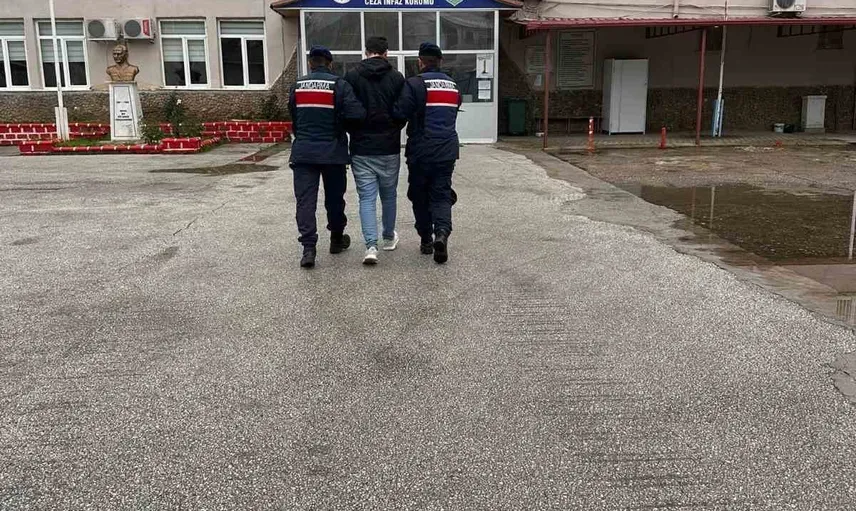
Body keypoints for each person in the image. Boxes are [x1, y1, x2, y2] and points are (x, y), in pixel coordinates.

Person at [288, 46, 366, 268]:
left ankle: (308, 249)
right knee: (334, 199)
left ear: (310, 63)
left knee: (305, 201)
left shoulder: (297, 85)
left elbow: (293, 115)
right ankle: (336, 239)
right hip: (333, 152)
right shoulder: (339, 85)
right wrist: (340, 126)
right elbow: (357, 114)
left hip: (303, 152)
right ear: (330, 64)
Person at [393, 42, 461, 265]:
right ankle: (442, 233)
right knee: (441, 194)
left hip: (421, 151)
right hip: (447, 150)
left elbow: (400, 113)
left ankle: (426, 240)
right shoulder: (453, 85)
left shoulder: (414, 83)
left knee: (419, 195)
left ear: (420, 62)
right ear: (440, 61)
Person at [344, 36, 406, 265]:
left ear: (366, 52)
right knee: (389, 195)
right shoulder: (396, 77)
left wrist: (354, 131)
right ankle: (388, 237)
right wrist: (394, 128)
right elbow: (402, 111)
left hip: (361, 148)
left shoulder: (352, 76)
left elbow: (346, 110)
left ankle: (371, 246)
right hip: (389, 147)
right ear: (386, 53)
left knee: (367, 198)